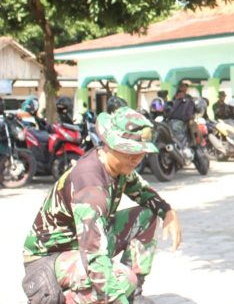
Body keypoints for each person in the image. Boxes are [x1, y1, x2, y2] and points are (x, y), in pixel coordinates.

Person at [21, 107, 182, 304]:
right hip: (50, 260)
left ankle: (133, 293)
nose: (137, 158)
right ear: (110, 145)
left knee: (146, 215)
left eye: (141, 152)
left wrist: (168, 211)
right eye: (130, 152)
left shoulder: (118, 167)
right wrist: (117, 299)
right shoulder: (90, 187)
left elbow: (143, 191)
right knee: (122, 278)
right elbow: (94, 256)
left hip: (82, 243)